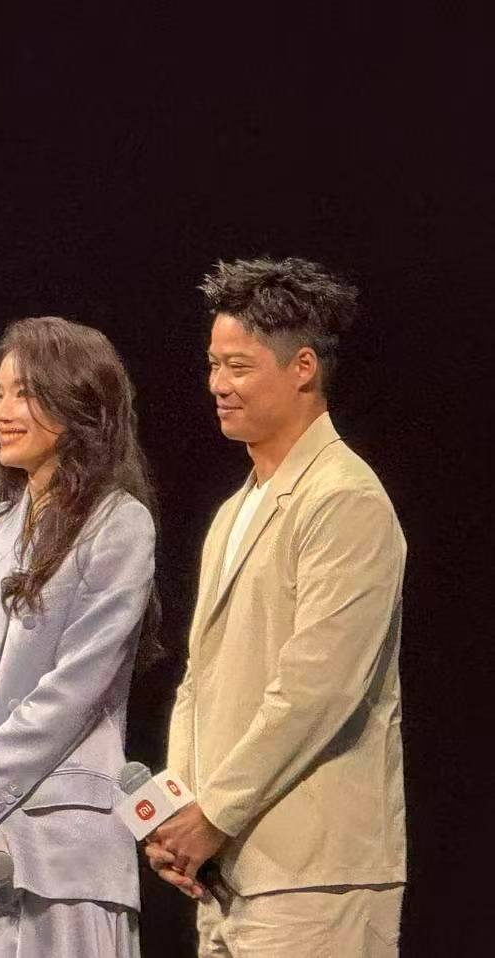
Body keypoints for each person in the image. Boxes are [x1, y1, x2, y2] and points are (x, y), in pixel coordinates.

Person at [145, 258, 406, 956]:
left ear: (303, 368)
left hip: (315, 879)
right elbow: (199, 682)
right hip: (227, 875)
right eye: (213, 364)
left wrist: (213, 814)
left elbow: (318, 689)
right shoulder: (234, 511)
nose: (217, 385)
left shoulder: (345, 497)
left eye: (238, 366)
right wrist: (178, 811)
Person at [0, 316, 158, 957]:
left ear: (77, 403)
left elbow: (74, 689)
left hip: (65, 855)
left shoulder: (118, 524)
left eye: (25, 393)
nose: (3, 412)